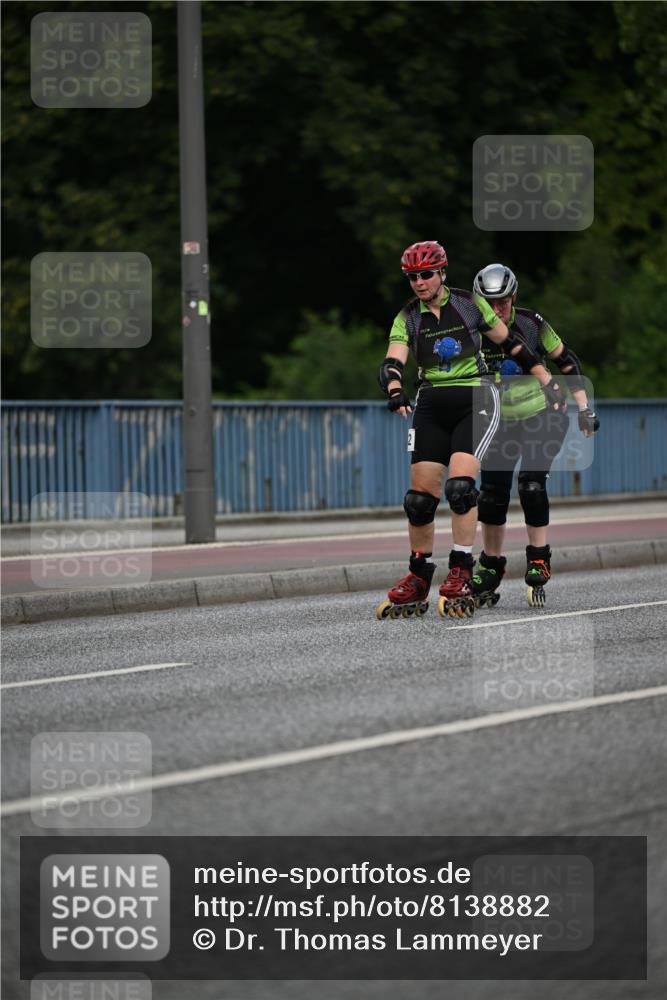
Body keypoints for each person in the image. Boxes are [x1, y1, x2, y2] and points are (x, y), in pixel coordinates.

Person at [375, 241, 566, 620]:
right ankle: (418, 575)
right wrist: (395, 389)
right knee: (419, 500)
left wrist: (545, 377)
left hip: (476, 398)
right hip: (430, 402)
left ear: (442, 273)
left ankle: (462, 569)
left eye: (426, 274)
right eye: (412, 277)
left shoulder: (467, 304)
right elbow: (392, 362)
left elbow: (510, 344)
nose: (419, 282)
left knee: (461, 490)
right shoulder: (407, 317)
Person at [469, 262, 599, 608]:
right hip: (497, 420)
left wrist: (585, 409)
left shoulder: (531, 324)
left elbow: (567, 362)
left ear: (514, 297)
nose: (497, 310)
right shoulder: (470, 329)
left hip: (543, 414)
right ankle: (492, 564)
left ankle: (539, 555)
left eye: (504, 302)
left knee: (530, 484)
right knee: (492, 496)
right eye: (490, 303)